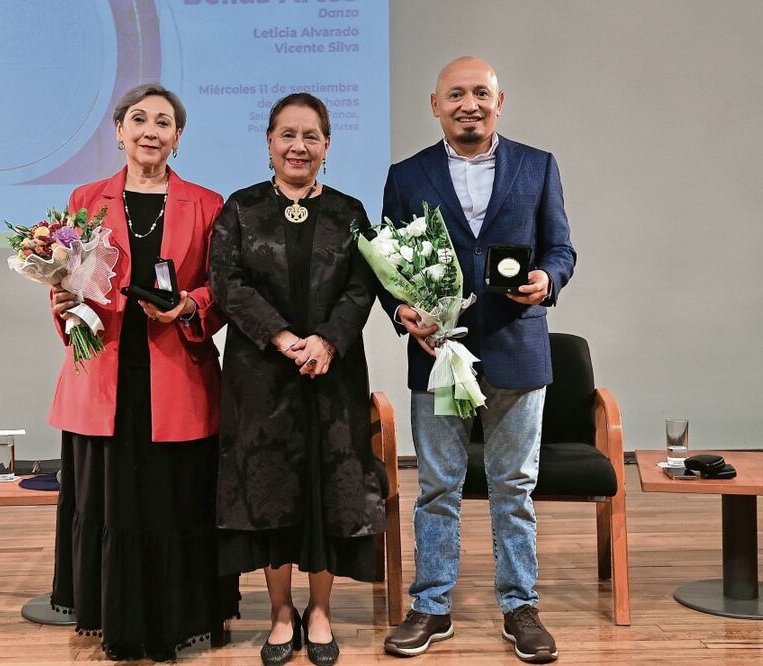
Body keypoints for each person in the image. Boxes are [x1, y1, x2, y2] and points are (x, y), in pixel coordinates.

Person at [380, 57, 576, 664]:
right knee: (437, 486)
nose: (470, 103)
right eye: (456, 94)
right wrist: (400, 312)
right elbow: (389, 261)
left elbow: (561, 247)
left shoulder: (538, 166)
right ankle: (432, 606)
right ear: (434, 104)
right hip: (438, 353)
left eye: (481, 93)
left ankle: (520, 608)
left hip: (517, 350)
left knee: (513, 487)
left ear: (500, 100)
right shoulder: (407, 175)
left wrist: (549, 277)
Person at [46, 83, 238, 662]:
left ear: (178, 137)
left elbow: (225, 290)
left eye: (163, 122)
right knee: (107, 503)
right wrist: (62, 303)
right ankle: (110, 617)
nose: (150, 130)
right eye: (139, 119)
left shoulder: (208, 203)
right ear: (119, 131)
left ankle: (182, 617)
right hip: (103, 373)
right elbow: (69, 282)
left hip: (177, 372)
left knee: (173, 500)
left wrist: (189, 307)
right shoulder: (86, 196)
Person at [209, 92, 385, 666]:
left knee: (328, 491)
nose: (298, 146)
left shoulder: (350, 212)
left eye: (311, 136)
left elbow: (363, 287)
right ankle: (282, 610)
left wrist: (328, 340)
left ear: (327, 145)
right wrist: (285, 339)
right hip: (261, 376)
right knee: (270, 489)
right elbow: (228, 284)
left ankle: (321, 609)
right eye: (287, 134)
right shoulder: (240, 208)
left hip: (333, 376)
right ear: (268, 142)